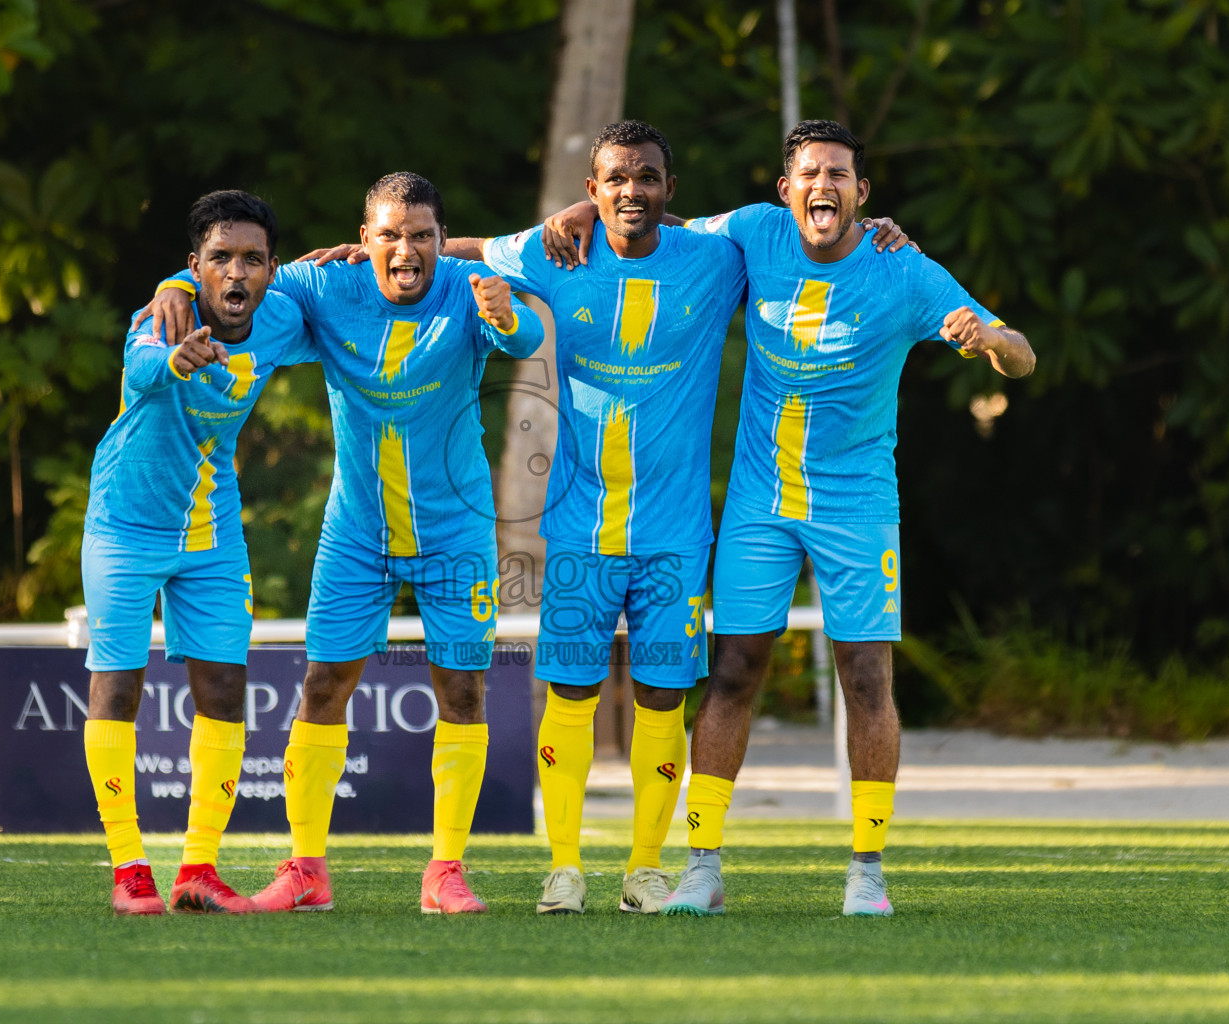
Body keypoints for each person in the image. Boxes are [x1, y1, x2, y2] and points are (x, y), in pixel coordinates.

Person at [313, 121, 911, 916]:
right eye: (616, 180)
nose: (633, 192)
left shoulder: (718, 256)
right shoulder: (558, 251)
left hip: (674, 539)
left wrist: (875, 232)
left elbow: (806, 233)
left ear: (670, 190)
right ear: (593, 190)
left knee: (665, 698)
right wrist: (384, 251)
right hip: (577, 532)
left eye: (648, 178)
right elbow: (472, 246)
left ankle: (646, 869)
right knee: (569, 695)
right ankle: (564, 868)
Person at [576, 119, 1034, 916]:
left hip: (858, 505)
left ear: (862, 192)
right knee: (733, 673)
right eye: (810, 173)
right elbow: (661, 223)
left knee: (865, 678)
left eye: (840, 174)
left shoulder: (905, 269)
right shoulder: (753, 232)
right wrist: (578, 216)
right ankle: (704, 867)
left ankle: (867, 871)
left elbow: (1023, 354)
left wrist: (990, 337)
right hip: (760, 502)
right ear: (786, 189)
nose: (824, 185)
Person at [136, 172, 544, 915]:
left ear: (442, 242)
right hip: (356, 530)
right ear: (365, 241)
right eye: (389, 235)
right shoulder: (325, 286)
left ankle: (445, 870)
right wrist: (170, 279)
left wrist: (505, 313)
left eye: (421, 235)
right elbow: (235, 272)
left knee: (462, 690)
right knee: (324, 685)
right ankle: (306, 871)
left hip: (456, 531)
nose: (406, 251)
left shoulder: (469, 286)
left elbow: (527, 336)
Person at [82, 189, 312, 915]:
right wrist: (178, 357)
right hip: (122, 525)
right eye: (219, 259)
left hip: (212, 535)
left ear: (271, 268)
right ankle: (129, 871)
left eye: (251, 259)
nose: (236, 273)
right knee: (117, 688)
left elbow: (332, 280)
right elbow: (146, 368)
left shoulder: (280, 315)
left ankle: (197, 870)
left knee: (223, 693)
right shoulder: (161, 316)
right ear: (195, 266)